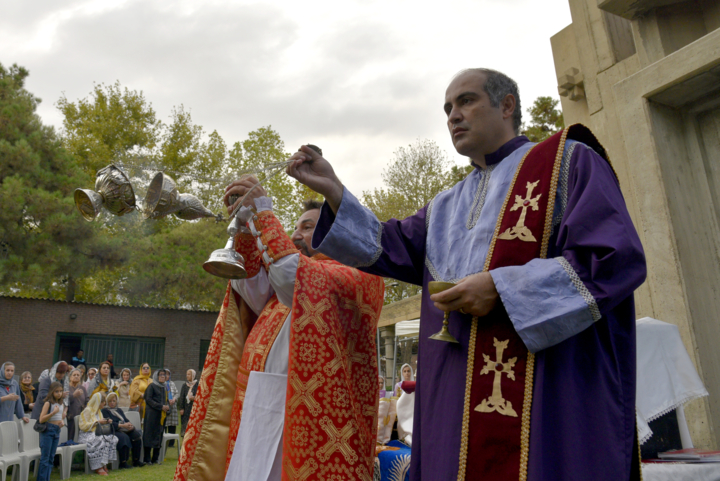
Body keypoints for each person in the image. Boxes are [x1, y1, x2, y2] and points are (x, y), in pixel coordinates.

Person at [287, 68, 647, 480]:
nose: (453, 116)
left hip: (543, 392)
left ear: (507, 105)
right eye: (447, 108)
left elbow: (613, 258)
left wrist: (503, 287)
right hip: (455, 401)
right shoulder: (445, 205)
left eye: (466, 101)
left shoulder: (568, 160)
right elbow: (387, 246)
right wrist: (333, 188)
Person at [175, 190, 385, 481]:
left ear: (336, 230)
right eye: (295, 226)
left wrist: (263, 213)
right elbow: (247, 286)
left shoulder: (358, 277)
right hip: (256, 403)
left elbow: (290, 275)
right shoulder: (289, 283)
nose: (296, 234)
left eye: (307, 227)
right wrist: (247, 224)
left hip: (306, 415)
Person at [79, 392, 118, 475]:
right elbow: (83, 426)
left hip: (97, 433)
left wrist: (106, 421)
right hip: (86, 435)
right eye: (103, 402)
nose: (104, 403)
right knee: (100, 440)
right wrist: (97, 422)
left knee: (113, 438)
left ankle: (104, 463)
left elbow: (100, 423)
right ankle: (98, 466)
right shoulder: (88, 410)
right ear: (98, 402)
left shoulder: (99, 411)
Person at [103, 392, 144, 468]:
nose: (112, 403)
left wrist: (130, 424)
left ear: (116, 401)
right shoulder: (105, 411)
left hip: (123, 428)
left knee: (136, 436)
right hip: (113, 430)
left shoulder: (119, 410)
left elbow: (125, 419)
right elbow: (110, 424)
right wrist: (122, 425)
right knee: (124, 437)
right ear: (107, 402)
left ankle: (136, 460)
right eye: (110, 401)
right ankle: (123, 462)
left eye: (114, 401)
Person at [37, 381, 66, 481]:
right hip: (47, 431)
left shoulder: (61, 404)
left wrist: (61, 422)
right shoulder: (48, 403)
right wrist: (53, 413)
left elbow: (60, 417)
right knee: (45, 459)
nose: (59, 393)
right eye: (56, 391)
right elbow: (41, 419)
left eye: (61, 391)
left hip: (56, 431)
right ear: (52, 392)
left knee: (51, 458)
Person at [143, 369, 169, 465]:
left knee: (159, 434)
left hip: (161, 415)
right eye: (160, 375)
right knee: (149, 435)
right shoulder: (152, 386)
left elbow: (166, 400)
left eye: (164, 375)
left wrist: (167, 407)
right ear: (156, 376)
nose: (163, 376)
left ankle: (155, 458)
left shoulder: (164, 387)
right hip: (151, 414)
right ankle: (147, 459)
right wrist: (160, 406)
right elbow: (148, 399)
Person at [66, 368, 88, 442]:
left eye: (78, 375)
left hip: (81, 416)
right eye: (74, 375)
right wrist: (73, 395)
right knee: (70, 436)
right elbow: (64, 401)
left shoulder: (82, 388)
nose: (76, 376)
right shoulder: (66, 387)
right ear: (70, 376)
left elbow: (87, 400)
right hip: (70, 416)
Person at [177, 369, 197, 437]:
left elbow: (200, 396)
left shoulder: (198, 385)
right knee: (185, 425)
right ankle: (184, 440)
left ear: (193, 375)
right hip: (186, 409)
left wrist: (194, 398)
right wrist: (181, 408)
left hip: (194, 408)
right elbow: (182, 397)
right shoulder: (185, 385)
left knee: (193, 425)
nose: (187, 376)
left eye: (189, 374)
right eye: (187, 374)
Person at [164, 369, 179, 446]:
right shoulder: (161, 384)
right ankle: (164, 442)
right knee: (164, 425)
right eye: (165, 374)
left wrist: (174, 399)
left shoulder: (172, 383)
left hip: (173, 407)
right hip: (165, 407)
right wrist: (167, 399)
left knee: (172, 426)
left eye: (168, 374)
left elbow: (176, 393)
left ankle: (171, 443)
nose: (166, 376)